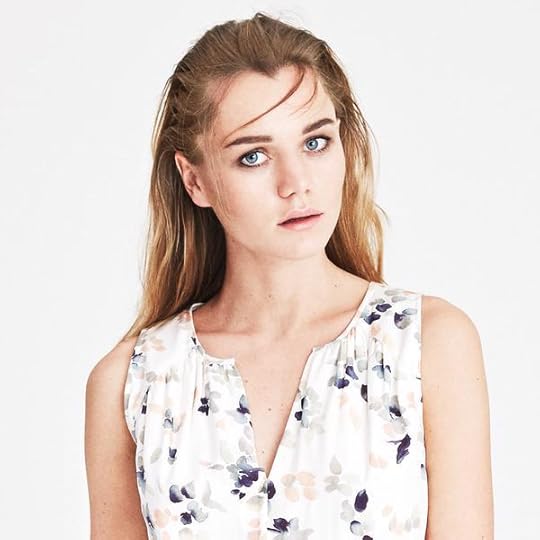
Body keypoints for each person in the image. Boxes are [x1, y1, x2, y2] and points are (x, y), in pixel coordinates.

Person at [84, 12, 494, 539]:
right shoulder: (133, 382)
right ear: (195, 180)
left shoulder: (426, 346)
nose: (296, 183)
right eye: (253, 156)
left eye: (315, 142)